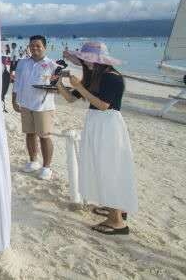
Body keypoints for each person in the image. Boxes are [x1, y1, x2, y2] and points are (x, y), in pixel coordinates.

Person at [56, 42, 137, 235]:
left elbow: (103, 105)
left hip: (108, 124)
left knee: (110, 168)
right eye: (85, 60)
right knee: (102, 166)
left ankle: (117, 220)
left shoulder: (112, 78)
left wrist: (79, 87)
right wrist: (59, 84)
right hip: (97, 124)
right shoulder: (95, 77)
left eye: (89, 60)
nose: (86, 63)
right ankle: (114, 206)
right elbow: (70, 98)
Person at [12, 35, 58, 180]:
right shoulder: (23, 63)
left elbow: (57, 86)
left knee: (44, 136)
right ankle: (33, 161)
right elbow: (17, 82)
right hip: (26, 104)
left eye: (38, 45)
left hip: (43, 106)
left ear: (44, 47)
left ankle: (47, 167)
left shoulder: (52, 65)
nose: (34, 48)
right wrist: (14, 99)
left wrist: (54, 85)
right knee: (29, 134)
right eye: (32, 45)